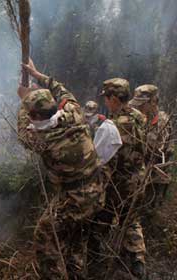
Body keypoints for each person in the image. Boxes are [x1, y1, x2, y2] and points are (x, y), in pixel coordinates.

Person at [18, 60, 105, 279]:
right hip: (98, 190)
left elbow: (22, 132)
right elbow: (60, 88)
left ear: (35, 117)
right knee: (74, 242)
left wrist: (22, 100)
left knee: (45, 237)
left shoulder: (42, 139)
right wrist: (37, 73)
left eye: (29, 113)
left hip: (74, 199)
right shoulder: (74, 112)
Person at [99, 78, 147, 279]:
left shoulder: (115, 125)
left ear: (114, 99)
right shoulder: (137, 116)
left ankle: (97, 257)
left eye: (107, 98)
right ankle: (137, 259)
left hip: (120, 181)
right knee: (131, 219)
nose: (106, 102)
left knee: (104, 216)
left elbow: (105, 159)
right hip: (139, 176)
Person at [129, 85, 173, 207]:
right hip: (144, 175)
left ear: (153, 102)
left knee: (149, 213)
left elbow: (152, 149)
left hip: (155, 180)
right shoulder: (144, 118)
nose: (138, 107)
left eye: (142, 104)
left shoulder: (161, 121)